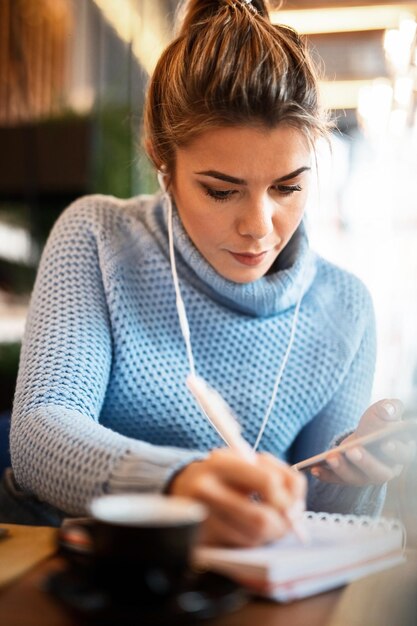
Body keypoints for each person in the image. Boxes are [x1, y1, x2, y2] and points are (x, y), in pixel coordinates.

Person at [2, 0, 414, 544]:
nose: (259, 226)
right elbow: (39, 436)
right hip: (70, 565)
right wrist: (177, 485)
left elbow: (318, 528)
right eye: (221, 191)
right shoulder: (99, 238)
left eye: (288, 187)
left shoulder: (345, 307)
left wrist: (354, 478)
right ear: (162, 164)